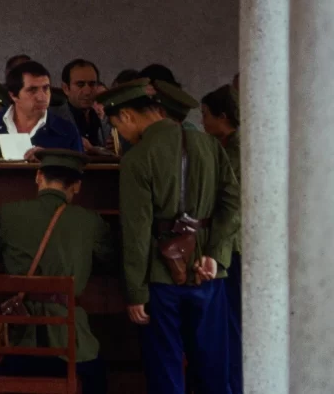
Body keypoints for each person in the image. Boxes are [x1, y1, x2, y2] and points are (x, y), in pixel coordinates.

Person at [97, 79, 239, 394]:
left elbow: (136, 231)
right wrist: (215, 254)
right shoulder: (211, 146)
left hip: (161, 276)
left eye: (117, 126)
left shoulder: (137, 158)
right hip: (207, 273)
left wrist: (135, 292)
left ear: (127, 116)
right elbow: (233, 205)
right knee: (213, 368)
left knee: (166, 370)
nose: (121, 134)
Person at [0, 149, 117, 394]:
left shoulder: (10, 213)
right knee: (97, 374)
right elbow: (111, 259)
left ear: (39, 176)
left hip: (17, 346)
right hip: (68, 347)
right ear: (77, 186)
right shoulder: (89, 221)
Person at [201, 84, 242, 394]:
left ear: (223, 117)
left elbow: (233, 204)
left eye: (206, 115)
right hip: (232, 245)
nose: (202, 121)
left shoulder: (235, 151)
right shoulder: (226, 146)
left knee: (231, 325)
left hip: (233, 246)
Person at [0, 60, 83, 159]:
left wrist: (49, 161)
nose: (42, 97)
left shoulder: (66, 131)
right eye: (32, 90)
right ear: (13, 95)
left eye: (46, 88)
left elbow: (80, 173)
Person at [61, 59, 105, 149]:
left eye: (92, 84)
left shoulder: (107, 120)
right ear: (66, 88)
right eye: (80, 85)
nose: (87, 91)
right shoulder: (51, 119)